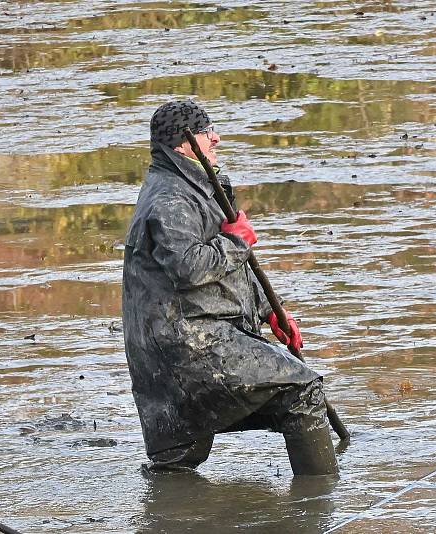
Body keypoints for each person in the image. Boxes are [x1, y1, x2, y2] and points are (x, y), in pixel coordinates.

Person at [121, 100, 338, 475]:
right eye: (208, 132)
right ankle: (321, 506)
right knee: (301, 391)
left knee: (177, 456)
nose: (216, 137)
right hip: (188, 346)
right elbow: (190, 268)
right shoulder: (170, 199)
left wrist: (272, 310)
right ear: (183, 143)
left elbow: (228, 272)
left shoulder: (196, 187)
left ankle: (176, 517)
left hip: (179, 345)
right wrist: (237, 241)